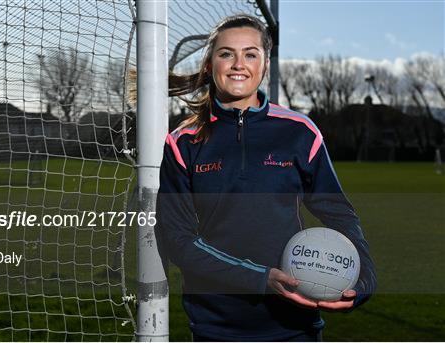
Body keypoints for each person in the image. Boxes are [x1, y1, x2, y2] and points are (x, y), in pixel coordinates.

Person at [155, 14, 377, 342]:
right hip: (216, 327)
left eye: (250, 54)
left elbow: (341, 214)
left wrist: (364, 283)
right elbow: (178, 240)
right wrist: (261, 278)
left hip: (294, 327)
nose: (237, 64)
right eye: (226, 53)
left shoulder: (300, 132)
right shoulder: (183, 142)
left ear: (265, 63)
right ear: (210, 63)